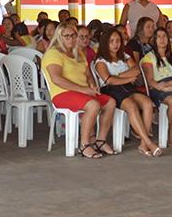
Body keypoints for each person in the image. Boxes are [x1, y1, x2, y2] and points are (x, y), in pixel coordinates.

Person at [42, 23, 117, 158]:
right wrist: (83, 89)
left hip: (82, 92)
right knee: (93, 104)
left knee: (110, 102)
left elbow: (88, 75)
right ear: (59, 37)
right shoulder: (53, 53)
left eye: (73, 35)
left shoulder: (79, 53)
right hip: (62, 93)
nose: (71, 39)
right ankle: (84, 145)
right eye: (67, 36)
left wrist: (93, 86)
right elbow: (56, 79)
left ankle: (100, 141)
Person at [94, 28, 160, 157]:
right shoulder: (101, 61)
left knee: (147, 103)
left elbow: (136, 70)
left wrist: (119, 75)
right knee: (131, 106)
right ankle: (148, 142)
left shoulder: (124, 56)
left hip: (128, 88)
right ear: (105, 43)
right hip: (111, 90)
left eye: (118, 40)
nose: (115, 44)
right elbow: (109, 80)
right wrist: (128, 78)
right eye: (111, 41)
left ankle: (142, 143)